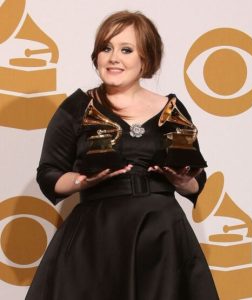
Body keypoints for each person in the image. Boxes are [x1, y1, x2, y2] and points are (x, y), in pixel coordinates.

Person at [26, 11, 218, 299]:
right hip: (98, 238)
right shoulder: (76, 108)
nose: (113, 57)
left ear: (146, 59)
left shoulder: (173, 110)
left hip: (162, 237)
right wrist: (83, 181)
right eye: (106, 48)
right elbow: (49, 175)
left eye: (126, 50)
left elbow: (196, 180)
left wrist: (182, 183)